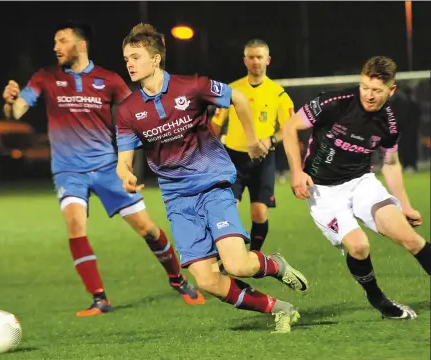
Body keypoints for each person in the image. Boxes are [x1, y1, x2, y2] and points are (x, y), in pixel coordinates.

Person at [1, 20, 204, 317]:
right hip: (68, 171)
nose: (56, 47)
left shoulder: (108, 80)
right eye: (55, 42)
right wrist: (9, 103)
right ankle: (99, 299)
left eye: (62, 41)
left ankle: (178, 280)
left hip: (108, 168)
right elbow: (17, 110)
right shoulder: (46, 77)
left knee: (148, 229)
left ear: (80, 45)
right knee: (75, 224)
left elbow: (136, 115)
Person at [116, 23, 309, 333]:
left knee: (237, 265)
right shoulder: (127, 110)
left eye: (135, 57)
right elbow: (123, 162)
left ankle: (274, 264)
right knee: (206, 280)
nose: (129, 64)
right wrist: (126, 175)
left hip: (212, 184)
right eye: (126, 58)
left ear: (155, 60)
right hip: (177, 199)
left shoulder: (191, 86)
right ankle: (279, 308)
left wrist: (251, 139)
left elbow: (240, 99)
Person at [283, 56, 431, 320]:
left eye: (377, 90)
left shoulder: (390, 122)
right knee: (359, 247)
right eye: (365, 87)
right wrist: (296, 171)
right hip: (323, 191)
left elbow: (391, 163)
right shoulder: (335, 102)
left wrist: (404, 204)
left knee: (410, 238)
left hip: (361, 183)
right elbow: (290, 127)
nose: (369, 95)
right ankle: (380, 301)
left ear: (391, 90)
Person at [211, 39, 295, 252]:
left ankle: (254, 256)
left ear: (268, 60)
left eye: (259, 57)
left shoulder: (279, 93)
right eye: (251, 57)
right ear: (245, 60)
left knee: (259, 212)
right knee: (228, 210)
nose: (255, 61)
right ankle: (228, 255)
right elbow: (216, 124)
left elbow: (289, 128)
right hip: (232, 158)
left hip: (263, 160)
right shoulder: (231, 89)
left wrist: (271, 139)